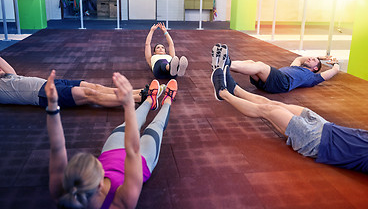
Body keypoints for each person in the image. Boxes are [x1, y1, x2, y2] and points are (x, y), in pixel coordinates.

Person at [46, 69, 178, 208]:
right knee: (156, 126)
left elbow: (57, 148)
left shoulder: (62, 194)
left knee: (130, 123)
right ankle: (168, 100)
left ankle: (150, 100)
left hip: (112, 151)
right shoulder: (121, 202)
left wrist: (53, 105)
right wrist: (128, 105)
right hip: (142, 162)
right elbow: (133, 152)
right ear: (99, 185)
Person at [210, 65, 368, 173]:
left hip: (316, 140)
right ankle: (236, 90)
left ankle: (223, 93)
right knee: (275, 104)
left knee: (268, 110)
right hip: (326, 126)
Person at [0, 56, 153, 108]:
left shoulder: (8, 77)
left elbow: (8, 69)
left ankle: (139, 92)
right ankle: (141, 98)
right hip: (44, 95)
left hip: (51, 83)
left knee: (95, 86)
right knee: (90, 94)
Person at [211, 44, 340, 93]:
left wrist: (335, 63)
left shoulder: (312, 77)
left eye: (313, 61)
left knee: (260, 66)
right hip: (272, 80)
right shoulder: (295, 66)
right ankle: (224, 65)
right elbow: (301, 58)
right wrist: (320, 57)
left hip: (283, 83)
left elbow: (334, 71)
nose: (310, 59)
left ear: (315, 69)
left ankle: (226, 64)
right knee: (252, 63)